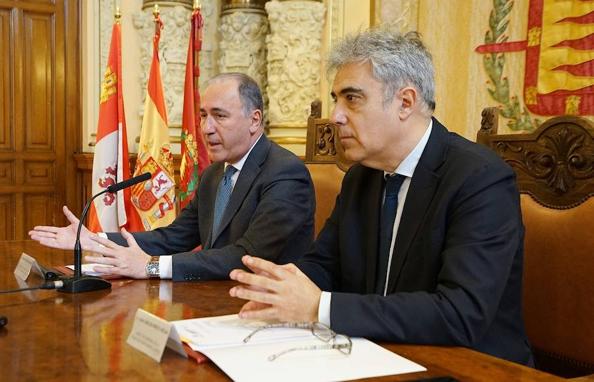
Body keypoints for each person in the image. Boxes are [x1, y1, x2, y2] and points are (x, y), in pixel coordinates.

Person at [227, 30, 534, 366]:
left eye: (352, 99)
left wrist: (318, 306)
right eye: (336, 99)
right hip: (376, 352)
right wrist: (276, 288)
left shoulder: (480, 178)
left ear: (405, 102)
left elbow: (459, 314)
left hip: (470, 366)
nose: (335, 115)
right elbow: (325, 265)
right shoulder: (363, 175)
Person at [29, 73, 315, 281]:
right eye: (203, 116)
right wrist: (94, 240)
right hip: (215, 298)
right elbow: (173, 238)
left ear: (255, 120)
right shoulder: (215, 173)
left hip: (267, 308)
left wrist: (151, 267)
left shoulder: (285, 174)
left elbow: (246, 256)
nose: (206, 128)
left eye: (219, 116)